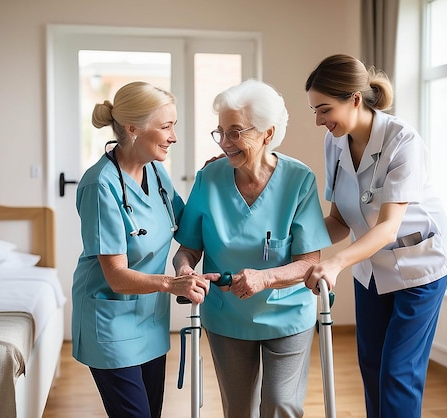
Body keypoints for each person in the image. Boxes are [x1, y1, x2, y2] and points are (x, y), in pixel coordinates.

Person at [303, 54, 447, 418]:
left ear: (354, 98)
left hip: (419, 264)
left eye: (325, 110)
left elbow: (388, 226)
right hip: (370, 266)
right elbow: (340, 220)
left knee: (399, 372)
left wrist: (336, 262)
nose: (319, 121)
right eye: (315, 111)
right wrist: (294, 241)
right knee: (372, 367)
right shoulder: (334, 143)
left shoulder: (403, 140)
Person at [172, 79, 331, 418]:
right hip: (226, 314)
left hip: (287, 313)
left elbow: (308, 262)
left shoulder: (299, 180)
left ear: (267, 134)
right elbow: (187, 250)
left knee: (280, 405)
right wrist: (184, 272)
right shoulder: (209, 178)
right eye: (220, 132)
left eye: (235, 132)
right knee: (239, 410)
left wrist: (265, 278)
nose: (225, 143)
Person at [71, 81, 215, 418]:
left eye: (174, 126)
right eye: (166, 126)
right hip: (110, 321)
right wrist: (171, 284)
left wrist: (212, 177)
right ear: (133, 128)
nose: (174, 136)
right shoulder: (100, 185)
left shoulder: (155, 170)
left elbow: (189, 222)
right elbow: (117, 277)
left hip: (150, 320)